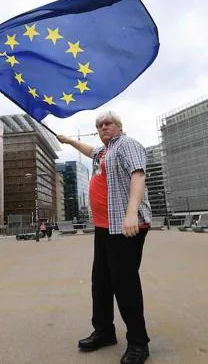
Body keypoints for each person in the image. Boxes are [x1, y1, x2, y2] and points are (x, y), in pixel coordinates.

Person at [57, 110, 152, 364]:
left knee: (124, 283)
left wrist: (131, 213)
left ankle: (139, 343)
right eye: (99, 125)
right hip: (104, 226)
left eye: (108, 123)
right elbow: (89, 150)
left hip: (125, 225)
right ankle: (104, 331)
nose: (103, 128)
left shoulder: (127, 145)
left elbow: (138, 175)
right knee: (100, 282)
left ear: (119, 126)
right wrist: (68, 141)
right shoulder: (103, 152)